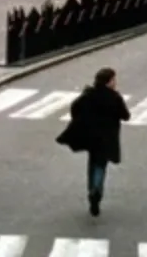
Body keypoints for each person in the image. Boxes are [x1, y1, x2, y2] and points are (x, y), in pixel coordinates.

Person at [55, 67, 130, 216]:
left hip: (90, 135)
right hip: (106, 137)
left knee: (92, 163)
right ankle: (96, 190)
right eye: (114, 80)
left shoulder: (88, 94)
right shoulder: (114, 97)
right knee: (100, 165)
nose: (116, 83)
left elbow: (75, 107)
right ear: (109, 82)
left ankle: (92, 189)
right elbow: (125, 115)